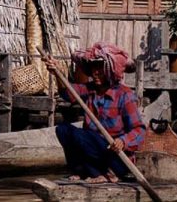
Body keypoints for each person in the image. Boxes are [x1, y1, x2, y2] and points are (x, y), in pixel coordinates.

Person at [43, 42, 146, 183]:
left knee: (83, 136)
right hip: (93, 149)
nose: (95, 72)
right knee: (63, 130)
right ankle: (82, 171)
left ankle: (103, 174)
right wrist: (57, 73)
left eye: (100, 69)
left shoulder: (125, 95)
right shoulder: (90, 89)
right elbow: (68, 93)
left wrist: (122, 141)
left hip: (116, 159)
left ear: (110, 71)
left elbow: (139, 130)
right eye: (93, 68)